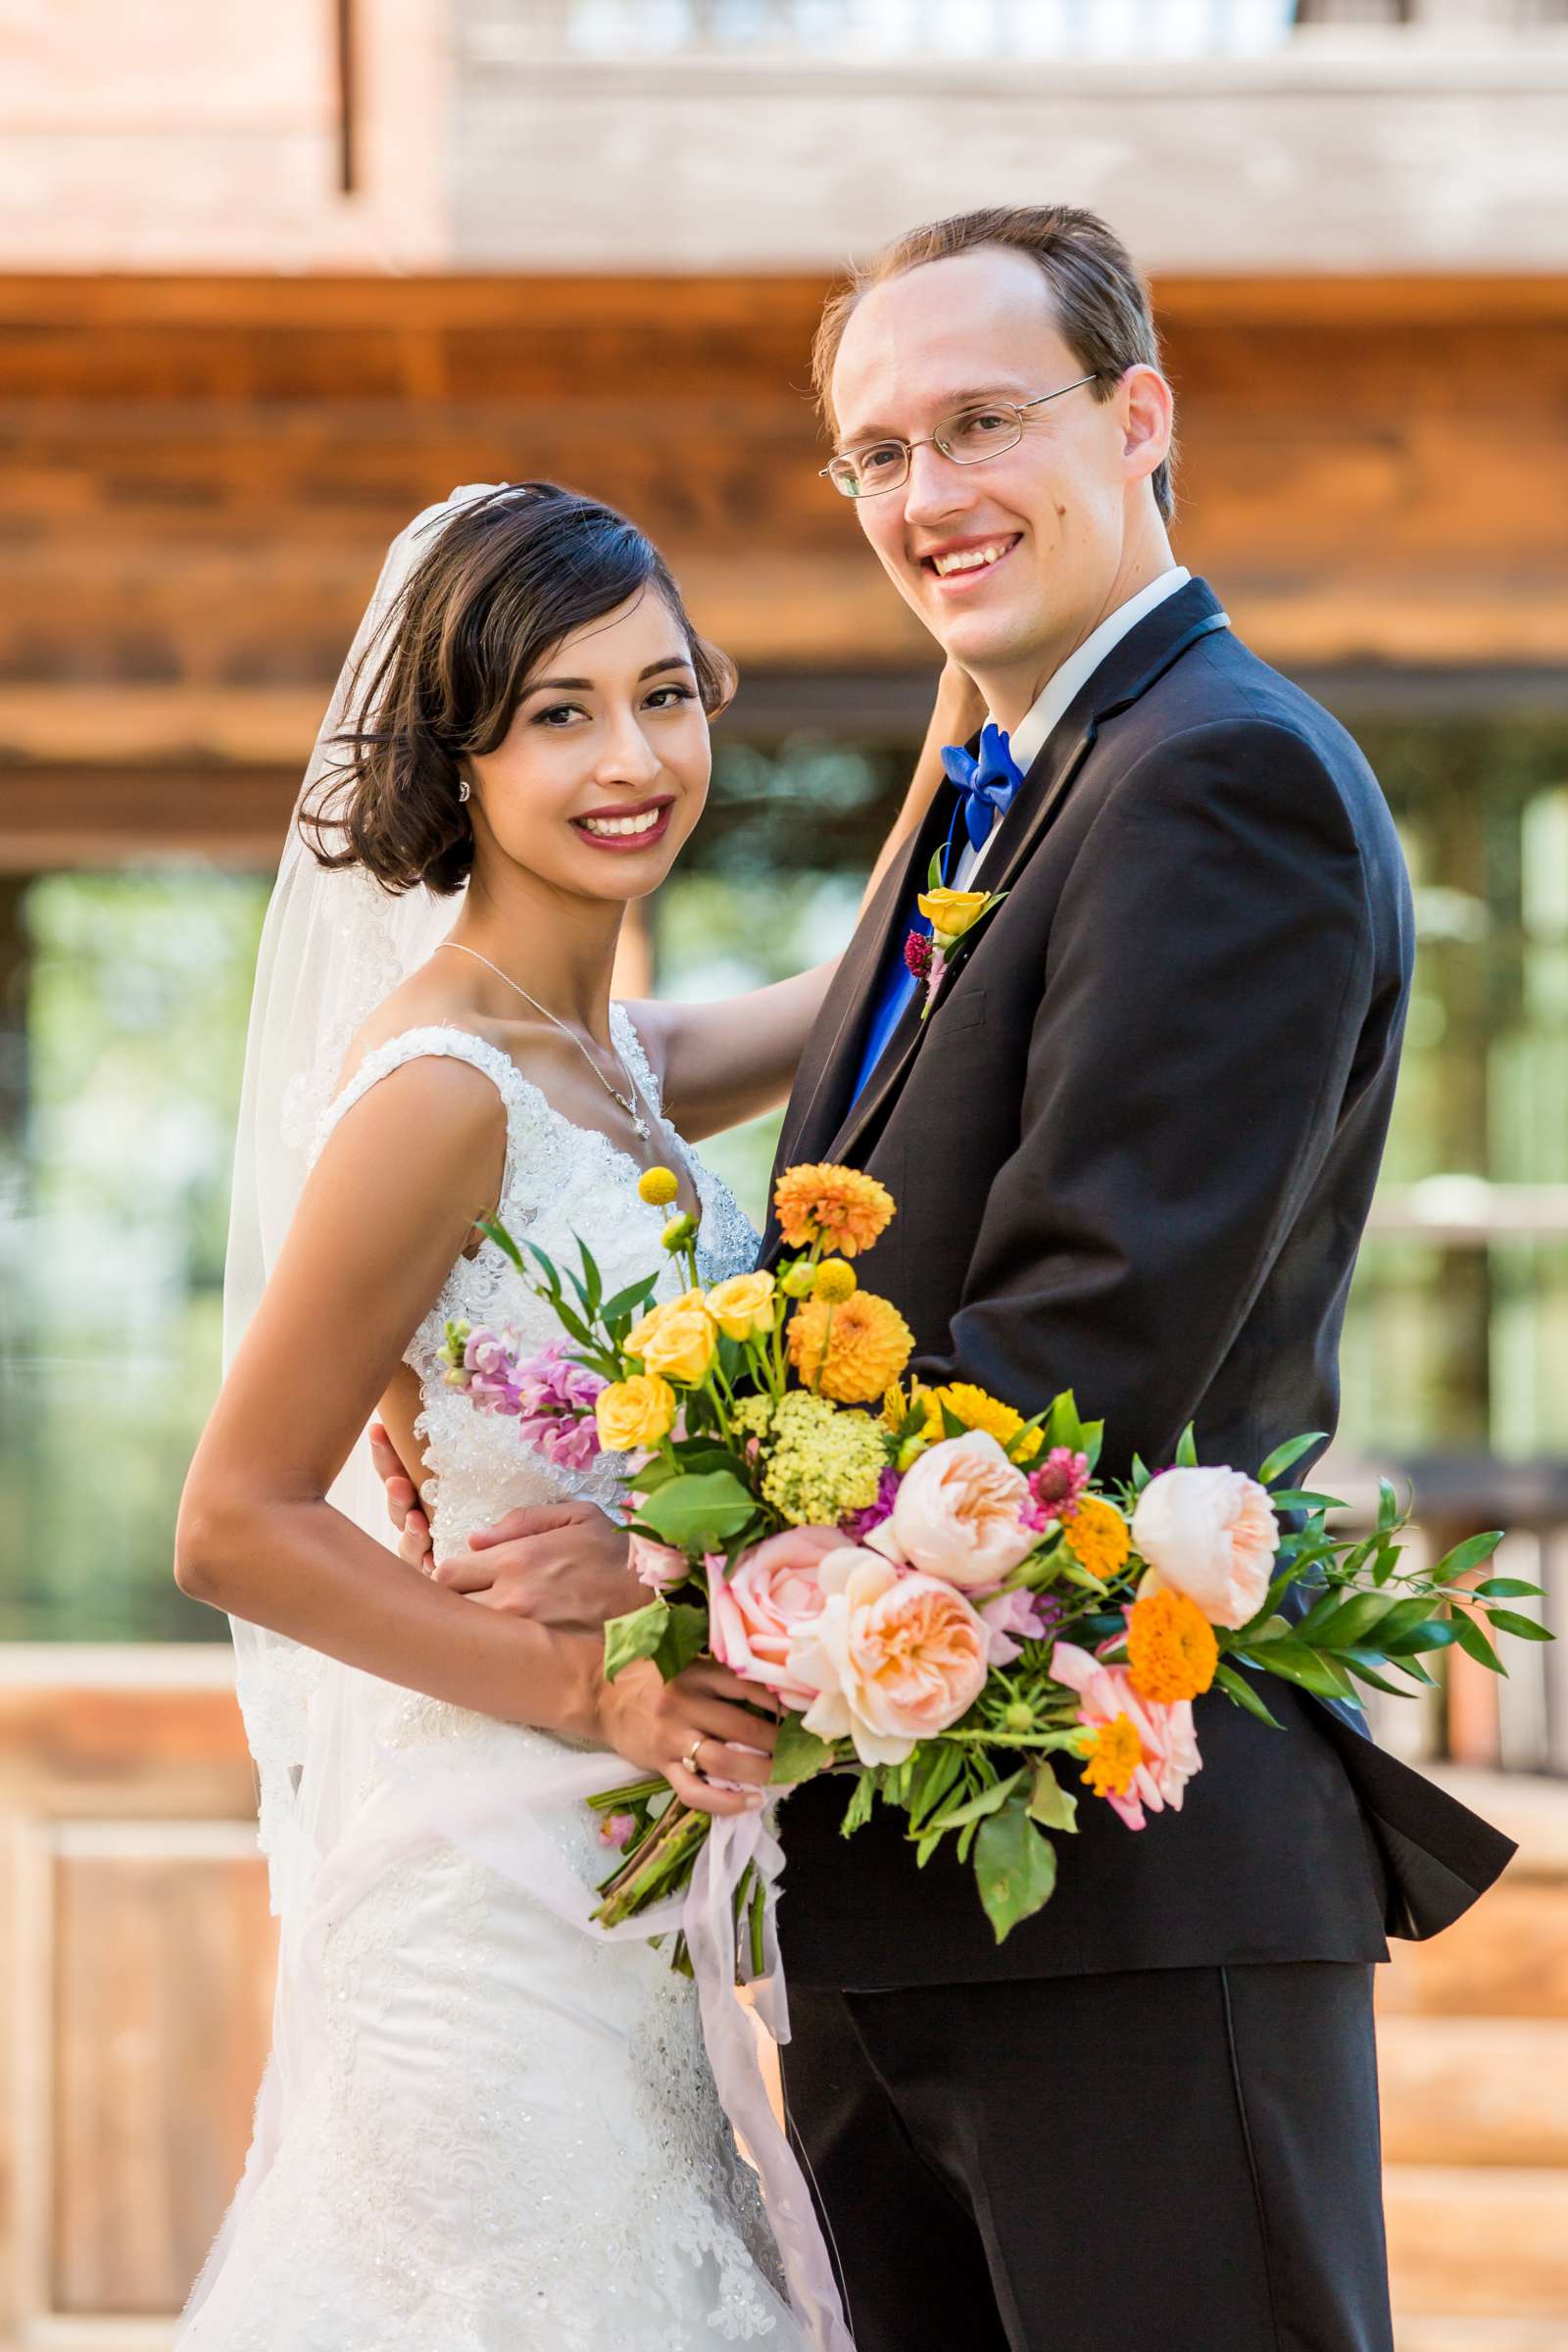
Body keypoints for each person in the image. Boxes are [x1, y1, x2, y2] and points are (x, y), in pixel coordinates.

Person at [378, 213, 1517, 2352]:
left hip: (1120, 1891)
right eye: (875, 454)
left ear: (1140, 419)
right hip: (895, 1891)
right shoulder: (991, 787)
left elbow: (1082, 1341)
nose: (927, 495)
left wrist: (644, 1567)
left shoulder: (1217, 783)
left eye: (980, 423)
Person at [173, 478, 975, 2348]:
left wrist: (978, 737)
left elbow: (874, 984)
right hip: (480, 1905)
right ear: (456, 759)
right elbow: (230, 1521)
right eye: (560, 713)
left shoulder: (610, 1059)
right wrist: (586, 1687)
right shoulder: (442, 1089)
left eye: (668, 694)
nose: (637, 757)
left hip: (624, 1900)